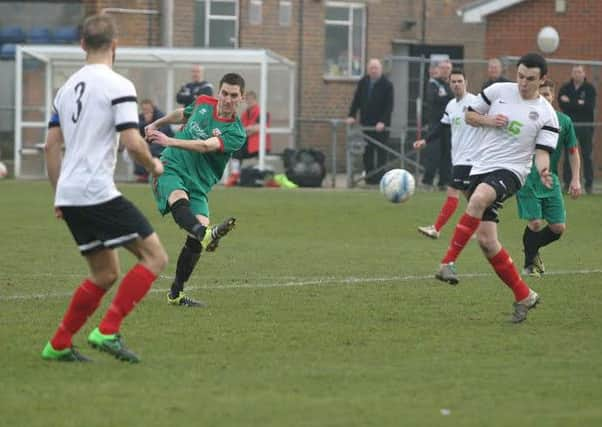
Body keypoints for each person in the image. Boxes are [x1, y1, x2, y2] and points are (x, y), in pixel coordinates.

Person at [42, 14, 168, 363]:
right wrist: (154, 165)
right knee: (155, 256)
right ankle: (108, 331)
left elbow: (51, 147)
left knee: (105, 272)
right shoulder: (119, 85)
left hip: (70, 193)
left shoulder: (65, 90)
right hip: (96, 191)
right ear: (115, 46)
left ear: (82, 44)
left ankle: (58, 344)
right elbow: (132, 141)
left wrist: (59, 194)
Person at [435, 53, 559, 323]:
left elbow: (541, 153)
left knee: (479, 199)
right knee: (487, 242)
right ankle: (524, 295)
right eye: (521, 76)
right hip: (479, 167)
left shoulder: (547, 115)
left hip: (512, 171)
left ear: (543, 80)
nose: (523, 83)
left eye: (531, 79)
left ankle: (447, 263)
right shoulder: (498, 91)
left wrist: (544, 170)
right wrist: (490, 121)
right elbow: (470, 116)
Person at [145, 73, 246, 307]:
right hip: (171, 166)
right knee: (179, 200)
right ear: (218, 92)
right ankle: (206, 234)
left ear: (240, 99)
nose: (227, 99)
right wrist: (157, 124)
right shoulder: (203, 102)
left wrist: (170, 140)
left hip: (199, 184)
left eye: (233, 95)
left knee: (195, 237)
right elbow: (182, 114)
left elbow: (204, 146)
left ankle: (176, 294)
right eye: (224, 93)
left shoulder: (236, 132)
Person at [517, 79, 581, 276]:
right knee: (535, 223)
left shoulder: (564, 121)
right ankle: (529, 265)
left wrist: (575, 179)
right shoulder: (527, 119)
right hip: (527, 178)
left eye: (547, 94)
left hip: (550, 179)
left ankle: (532, 250)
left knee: (558, 227)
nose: (544, 98)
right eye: (540, 94)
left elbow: (572, 151)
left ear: (552, 97)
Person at [414, 69, 482, 239]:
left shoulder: (476, 102)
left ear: (466, 82)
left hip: (470, 157)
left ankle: (436, 228)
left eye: (460, 81)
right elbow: (441, 127)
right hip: (458, 157)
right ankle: (481, 228)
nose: (457, 85)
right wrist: (426, 140)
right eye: (454, 82)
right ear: (450, 84)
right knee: (472, 197)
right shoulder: (451, 105)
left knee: (452, 191)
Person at [346, 58, 394, 185]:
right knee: (368, 152)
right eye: (371, 68)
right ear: (368, 69)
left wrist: (383, 121)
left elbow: (389, 106)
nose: (373, 70)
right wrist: (352, 115)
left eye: (376, 68)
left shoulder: (387, 85)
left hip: (381, 126)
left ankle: (381, 179)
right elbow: (356, 100)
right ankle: (369, 178)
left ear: (380, 69)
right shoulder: (363, 82)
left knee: (381, 152)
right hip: (366, 124)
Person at [557, 65, 597, 194]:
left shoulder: (589, 89)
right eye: (575, 72)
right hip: (569, 127)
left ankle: (589, 184)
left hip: (585, 127)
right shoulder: (565, 87)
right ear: (572, 74)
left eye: (579, 72)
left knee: (586, 155)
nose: (577, 74)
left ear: (584, 74)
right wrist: (578, 102)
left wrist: (571, 102)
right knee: (569, 154)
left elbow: (589, 107)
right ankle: (567, 183)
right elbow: (562, 105)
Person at [225, 90, 272, 187]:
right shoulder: (245, 113)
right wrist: (248, 129)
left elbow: (259, 127)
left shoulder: (262, 112)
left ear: (255, 100)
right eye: (247, 100)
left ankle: (240, 176)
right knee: (235, 150)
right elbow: (241, 128)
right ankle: (234, 175)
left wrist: (248, 129)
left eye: (250, 99)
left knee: (238, 149)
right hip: (248, 143)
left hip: (260, 145)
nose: (248, 102)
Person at [421, 58, 453, 190]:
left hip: (450, 124)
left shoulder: (452, 83)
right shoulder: (433, 84)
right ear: (438, 70)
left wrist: (446, 97)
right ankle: (427, 182)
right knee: (433, 153)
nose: (445, 71)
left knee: (447, 154)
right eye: (443, 68)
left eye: (447, 69)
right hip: (435, 124)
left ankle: (444, 182)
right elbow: (434, 99)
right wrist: (448, 97)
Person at [134, 99, 174, 182]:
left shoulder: (160, 116)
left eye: (148, 109)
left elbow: (164, 132)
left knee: (147, 150)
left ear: (153, 108)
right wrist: (146, 122)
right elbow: (136, 130)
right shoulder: (141, 117)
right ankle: (143, 175)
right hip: (149, 142)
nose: (146, 111)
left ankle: (153, 173)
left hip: (164, 142)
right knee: (137, 148)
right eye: (144, 109)